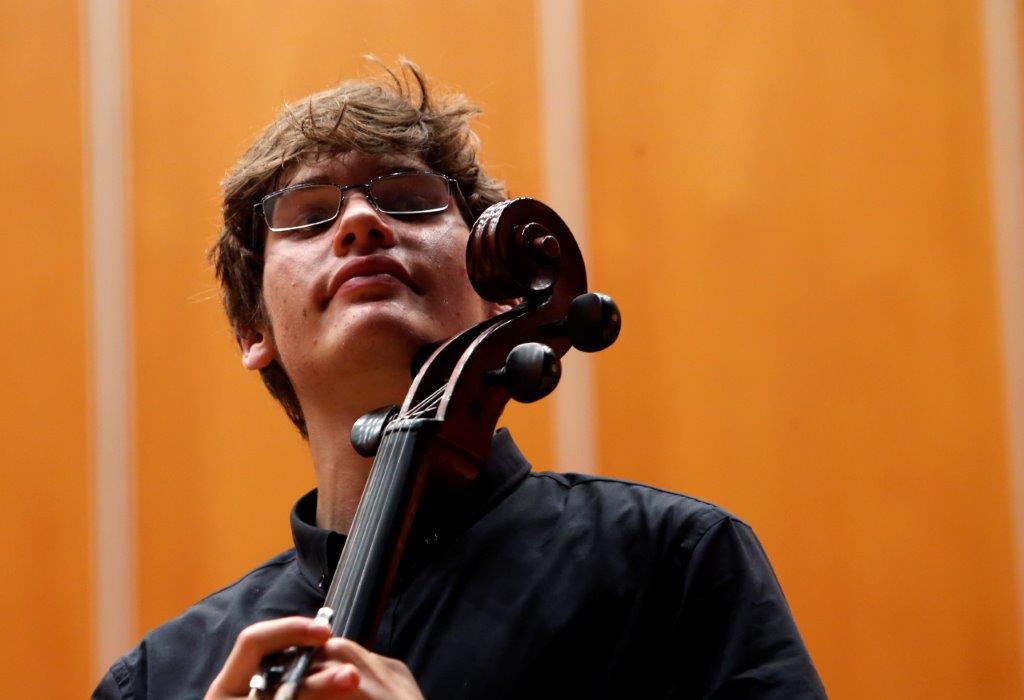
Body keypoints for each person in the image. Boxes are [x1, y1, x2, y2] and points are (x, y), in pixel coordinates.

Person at [93, 63, 826, 699]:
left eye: (410, 202)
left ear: (501, 294)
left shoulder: (669, 563)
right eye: (310, 219)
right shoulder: (164, 679)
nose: (360, 222)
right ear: (254, 334)